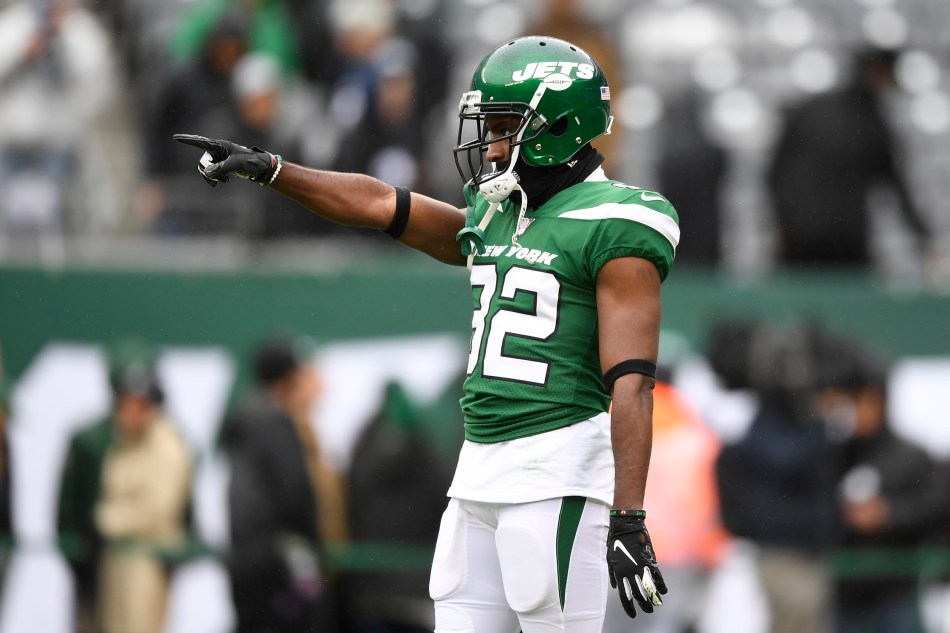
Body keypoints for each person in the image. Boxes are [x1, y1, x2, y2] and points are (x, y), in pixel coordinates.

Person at [175, 35, 679, 632]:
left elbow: (632, 384)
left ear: (561, 126)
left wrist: (628, 515)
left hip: (557, 470)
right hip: (478, 469)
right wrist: (275, 170)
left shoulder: (616, 220)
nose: (491, 143)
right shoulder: (500, 210)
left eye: (505, 126)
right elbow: (380, 204)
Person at [815, 346, 950, 633]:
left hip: (897, 591)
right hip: (845, 591)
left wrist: (888, 514)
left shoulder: (909, 455)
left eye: (865, 400)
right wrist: (845, 515)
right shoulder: (834, 454)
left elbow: (936, 505)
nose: (858, 410)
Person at [222, 336, 348, 633]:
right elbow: (295, 493)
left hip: (250, 559)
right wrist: (311, 542)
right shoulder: (274, 422)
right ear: (289, 378)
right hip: (275, 563)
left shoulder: (250, 416)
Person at [766, 48, 933, 269]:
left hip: (803, 236)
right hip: (842, 241)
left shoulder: (811, 108)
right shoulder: (872, 124)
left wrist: (780, 222)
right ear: (878, 72)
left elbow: (773, 174)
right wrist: (924, 239)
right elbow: (896, 187)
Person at [92, 338, 193, 633]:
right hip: (118, 557)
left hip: (148, 560)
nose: (128, 412)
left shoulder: (167, 446)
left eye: (136, 405)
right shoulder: (123, 444)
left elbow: (158, 507)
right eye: (124, 404)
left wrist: (108, 519)